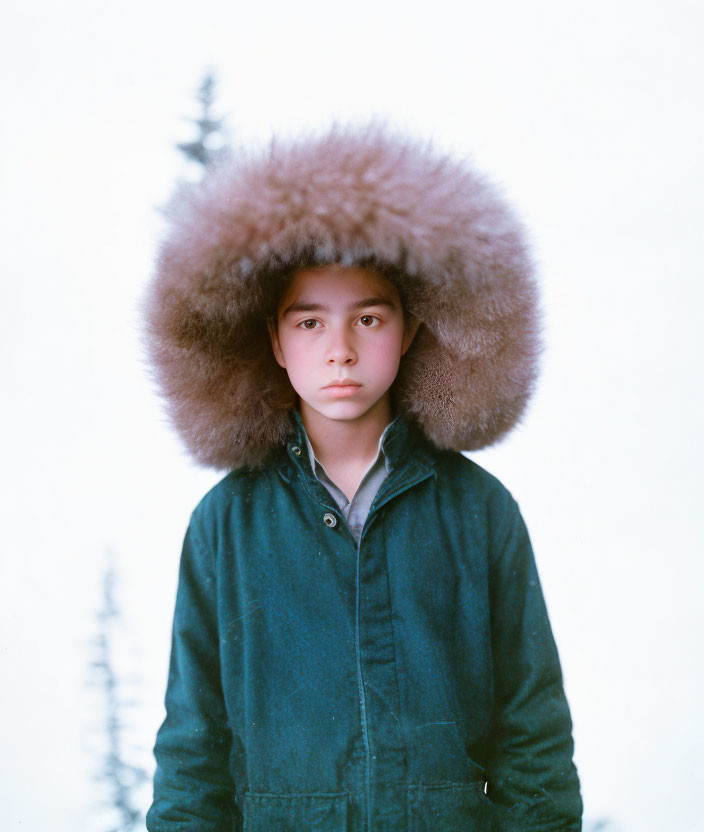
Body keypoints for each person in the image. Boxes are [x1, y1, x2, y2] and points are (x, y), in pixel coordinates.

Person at [144, 124, 583, 831]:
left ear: (411, 330)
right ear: (274, 341)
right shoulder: (225, 526)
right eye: (310, 323)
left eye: (369, 318)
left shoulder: (479, 513)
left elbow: (533, 740)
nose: (341, 351)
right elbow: (195, 751)